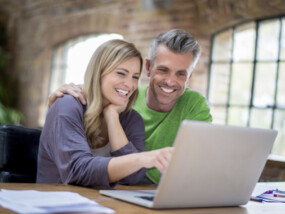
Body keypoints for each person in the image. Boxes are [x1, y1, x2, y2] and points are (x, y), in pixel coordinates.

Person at [48, 29, 212, 184]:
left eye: (181, 73)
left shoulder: (128, 112)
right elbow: (75, 167)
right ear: (148, 68)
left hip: (141, 190)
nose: (170, 81)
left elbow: (133, 175)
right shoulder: (119, 100)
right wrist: (59, 108)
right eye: (163, 70)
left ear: (189, 76)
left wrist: (112, 115)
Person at [37, 39, 173, 188]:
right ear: (98, 73)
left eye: (135, 76)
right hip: (57, 201)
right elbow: (77, 170)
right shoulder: (67, 104)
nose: (130, 84)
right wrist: (142, 158)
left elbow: (132, 177)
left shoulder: (132, 119)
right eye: (121, 73)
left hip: (101, 204)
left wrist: (112, 117)